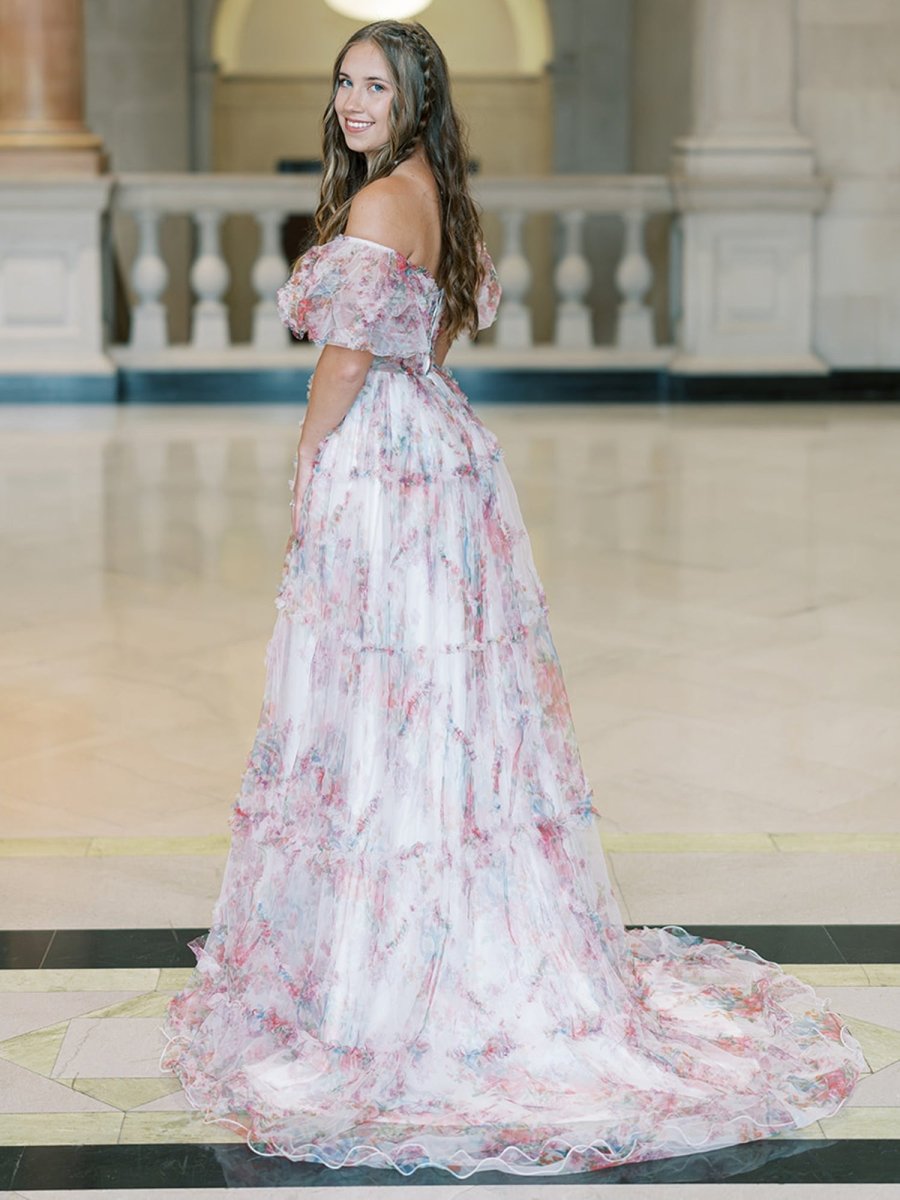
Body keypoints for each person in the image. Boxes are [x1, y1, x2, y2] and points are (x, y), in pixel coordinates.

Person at [162, 20, 863, 1178]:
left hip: (385, 464)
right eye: (343, 82)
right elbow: (437, 333)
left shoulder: (382, 199)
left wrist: (308, 457)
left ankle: (395, 976)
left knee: (386, 697)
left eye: (374, 85)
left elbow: (347, 356)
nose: (351, 102)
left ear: (414, 99)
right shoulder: (441, 195)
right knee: (445, 706)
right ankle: (450, 929)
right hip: (441, 453)